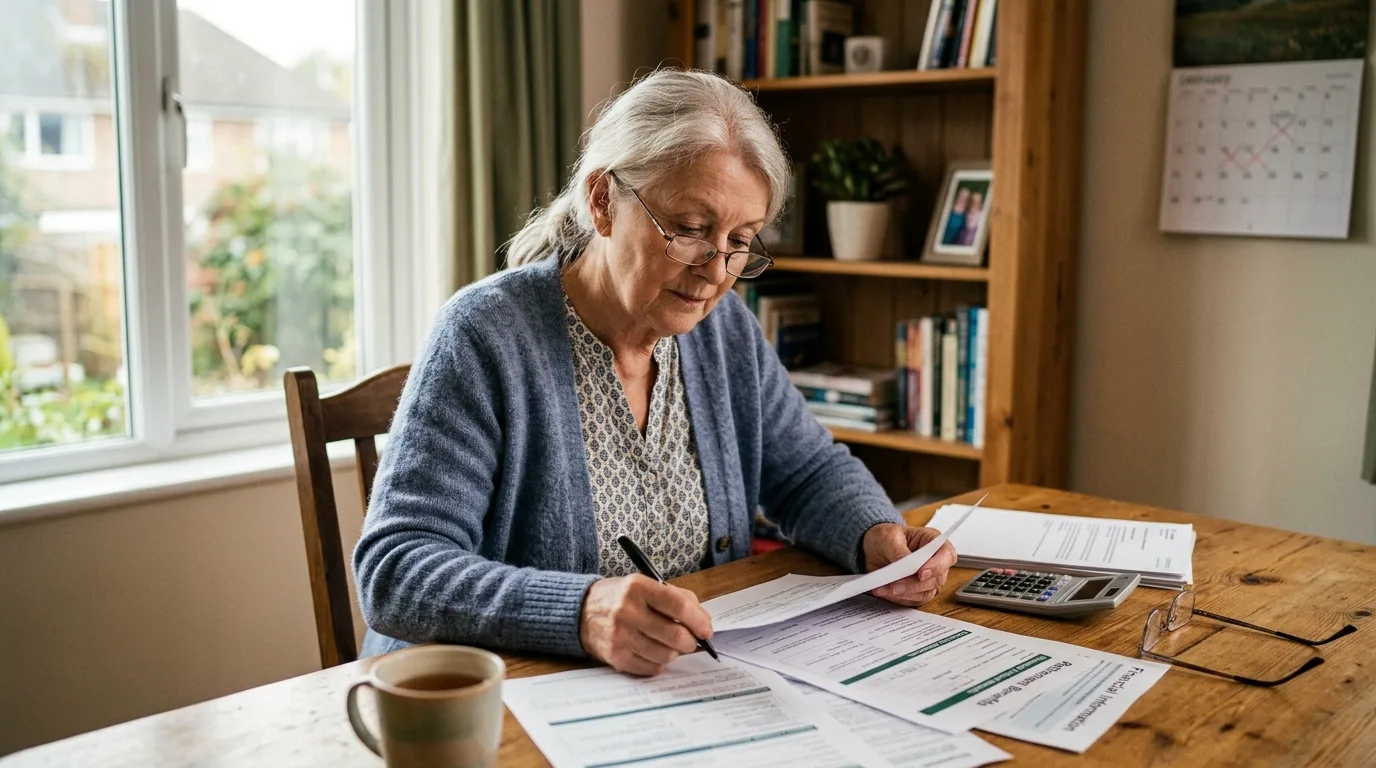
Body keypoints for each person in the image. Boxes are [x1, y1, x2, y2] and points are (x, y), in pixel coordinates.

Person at [353, 68, 957, 676]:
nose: (716, 272)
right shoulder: (485, 335)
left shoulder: (724, 330)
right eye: (690, 230)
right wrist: (580, 611)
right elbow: (396, 569)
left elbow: (807, 471)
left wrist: (874, 531)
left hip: (681, 684)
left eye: (740, 240)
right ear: (602, 202)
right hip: (495, 698)